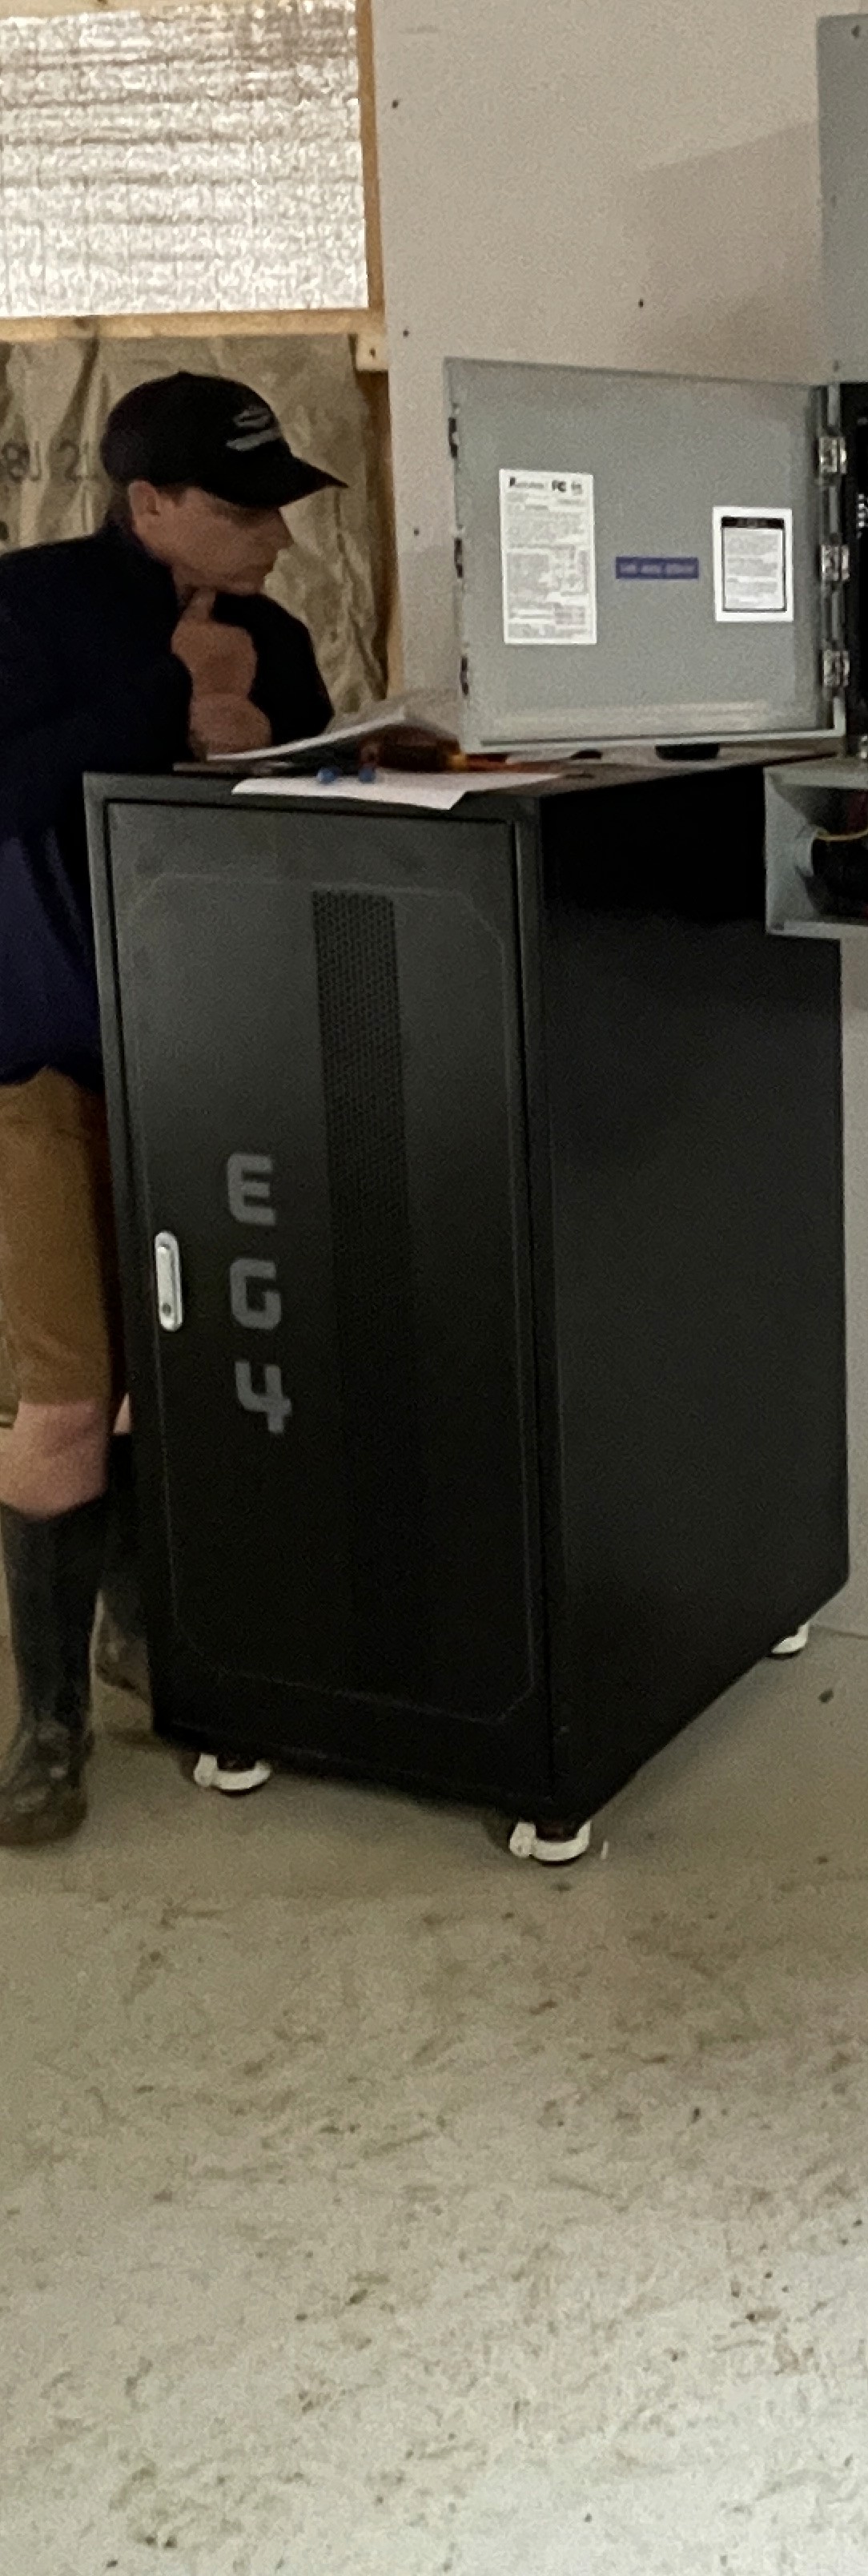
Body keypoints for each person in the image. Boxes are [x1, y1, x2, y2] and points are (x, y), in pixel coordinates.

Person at [0, 373, 339, 1845]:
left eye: (280, 508)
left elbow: (313, 788)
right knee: (69, 1393)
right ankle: (46, 1727)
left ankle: (145, 1633)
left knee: (183, 1372)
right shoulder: (25, 611)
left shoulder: (276, 633)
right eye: (242, 508)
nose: (276, 536)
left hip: (203, 1062)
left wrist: (259, 722)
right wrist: (162, 692)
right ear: (148, 502)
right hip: (42, 1065)